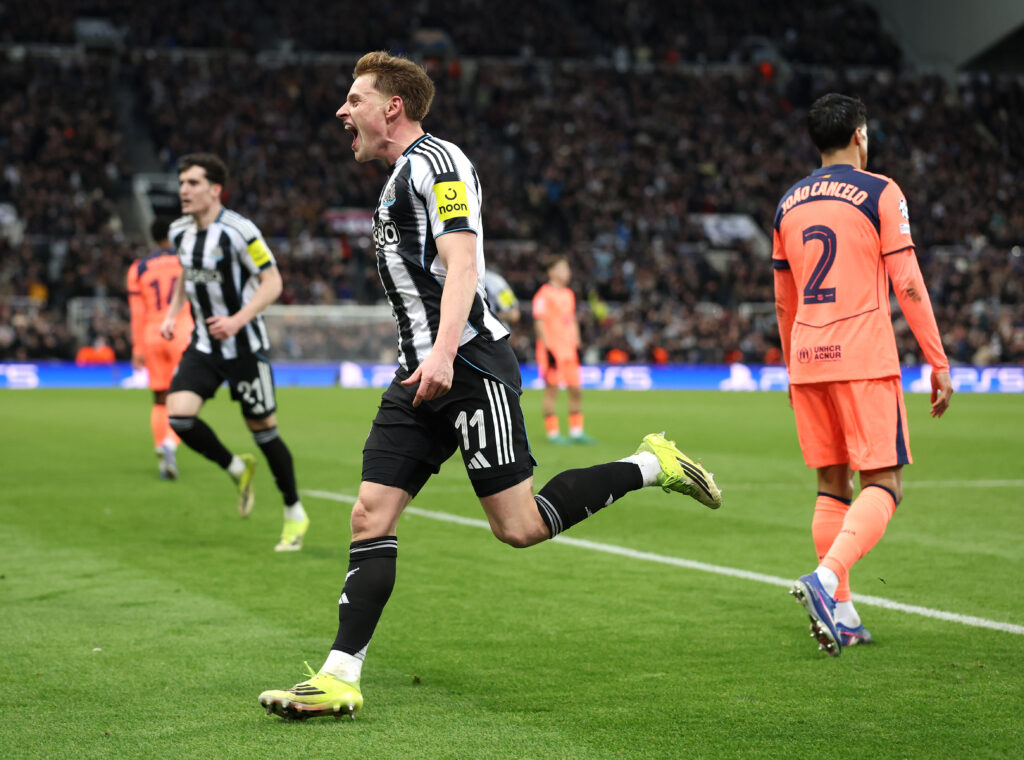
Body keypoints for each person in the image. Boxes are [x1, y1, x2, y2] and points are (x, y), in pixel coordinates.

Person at [258, 51, 722, 720]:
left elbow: (464, 261)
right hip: (419, 373)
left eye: (354, 99)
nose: (342, 111)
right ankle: (339, 676)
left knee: (520, 526)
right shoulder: (395, 182)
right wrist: (429, 358)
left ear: (392, 106)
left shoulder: (438, 165)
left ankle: (652, 464)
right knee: (369, 513)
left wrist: (445, 352)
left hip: (468, 364)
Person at [772, 93, 953, 656]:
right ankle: (826, 581)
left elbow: (783, 300)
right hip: (862, 358)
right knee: (884, 484)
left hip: (806, 357)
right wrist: (938, 359)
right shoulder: (880, 190)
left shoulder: (787, 203)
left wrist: (790, 365)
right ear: (859, 134)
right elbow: (909, 281)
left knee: (832, 486)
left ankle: (844, 614)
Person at [159, 153, 309, 552]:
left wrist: (238, 320)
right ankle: (235, 467)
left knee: (264, 432)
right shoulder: (179, 232)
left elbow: (272, 282)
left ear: (214, 189)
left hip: (244, 346)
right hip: (205, 345)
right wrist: (173, 314)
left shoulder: (241, 231)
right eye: (181, 183)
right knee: (179, 415)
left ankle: (294, 512)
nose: (183, 191)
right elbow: (185, 277)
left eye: (192, 183)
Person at [126, 216, 194, 479]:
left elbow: (137, 311)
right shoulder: (185, 262)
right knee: (186, 397)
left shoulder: (139, 268)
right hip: (182, 331)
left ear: (152, 238)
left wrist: (137, 348)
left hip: (153, 334)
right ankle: (170, 443)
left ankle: (160, 447)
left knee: (160, 398)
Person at [531, 254, 594, 444]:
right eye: (563, 269)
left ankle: (576, 431)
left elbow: (571, 320)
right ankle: (553, 433)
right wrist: (547, 348)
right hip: (552, 350)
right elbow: (539, 322)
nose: (567, 273)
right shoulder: (543, 294)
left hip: (569, 350)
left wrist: (578, 343)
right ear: (552, 272)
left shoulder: (568, 294)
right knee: (552, 390)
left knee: (576, 390)